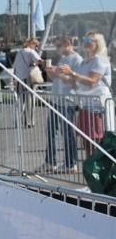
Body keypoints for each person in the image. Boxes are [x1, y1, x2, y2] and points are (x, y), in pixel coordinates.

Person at [59, 32, 113, 157]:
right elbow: (76, 84)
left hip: (98, 107)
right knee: (87, 142)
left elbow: (92, 82)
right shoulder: (85, 62)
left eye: (90, 40)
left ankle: (100, 171)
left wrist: (72, 73)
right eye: (85, 39)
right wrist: (59, 74)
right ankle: (91, 170)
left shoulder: (101, 59)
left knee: (97, 142)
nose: (86, 42)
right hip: (86, 106)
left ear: (98, 43)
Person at [42, 36, 81, 174]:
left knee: (68, 133)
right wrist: (51, 73)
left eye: (58, 46)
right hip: (56, 99)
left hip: (68, 100)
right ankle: (50, 162)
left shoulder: (77, 59)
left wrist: (59, 75)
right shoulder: (63, 59)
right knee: (51, 131)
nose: (57, 49)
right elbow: (57, 80)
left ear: (67, 44)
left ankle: (71, 163)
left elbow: (76, 83)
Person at [12, 38, 42, 127]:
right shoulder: (31, 52)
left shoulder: (19, 52)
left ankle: (18, 121)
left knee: (21, 101)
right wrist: (34, 64)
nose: (36, 48)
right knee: (31, 101)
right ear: (32, 44)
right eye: (36, 45)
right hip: (28, 79)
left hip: (19, 79)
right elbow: (40, 61)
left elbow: (15, 67)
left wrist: (14, 79)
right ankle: (30, 122)